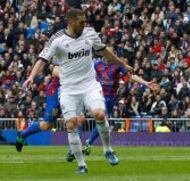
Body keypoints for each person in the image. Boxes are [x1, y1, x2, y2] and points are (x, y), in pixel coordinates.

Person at [22, 9, 157, 174]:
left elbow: (105, 52)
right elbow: (42, 60)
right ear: (71, 22)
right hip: (69, 89)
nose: (84, 24)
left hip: (89, 85)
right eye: (81, 22)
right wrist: (31, 77)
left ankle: (108, 150)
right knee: (71, 124)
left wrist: (122, 64)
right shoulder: (57, 40)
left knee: (100, 114)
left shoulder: (90, 34)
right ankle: (81, 165)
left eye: (85, 21)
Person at [82, 57, 130, 156]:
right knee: (103, 121)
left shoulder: (117, 65)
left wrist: (124, 83)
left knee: (103, 121)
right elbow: (90, 75)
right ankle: (95, 144)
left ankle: (92, 143)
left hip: (111, 98)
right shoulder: (97, 64)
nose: (108, 57)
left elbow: (127, 75)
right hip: (99, 95)